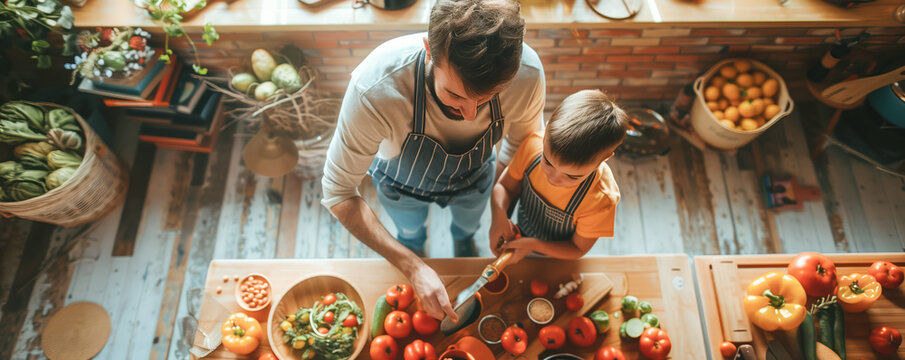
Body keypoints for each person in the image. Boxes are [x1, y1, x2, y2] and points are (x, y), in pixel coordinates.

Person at [322, 0, 545, 321]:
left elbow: (520, 150)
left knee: (465, 232)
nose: (470, 114)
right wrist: (412, 266)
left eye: (487, 99)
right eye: (455, 95)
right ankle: (414, 248)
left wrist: (500, 207)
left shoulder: (527, 75)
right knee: (410, 235)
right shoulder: (375, 88)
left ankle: (463, 242)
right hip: (400, 188)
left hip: (476, 181)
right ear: (429, 50)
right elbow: (338, 193)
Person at [488, 89, 627, 264]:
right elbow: (504, 187)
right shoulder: (533, 146)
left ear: (604, 159)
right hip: (521, 233)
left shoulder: (601, 201)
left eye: (572, 176)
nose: (553, 178)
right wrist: (499, 216)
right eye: (548, 162)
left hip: (558, 255)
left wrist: (533, 245)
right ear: (545, 132)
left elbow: (577, 248)